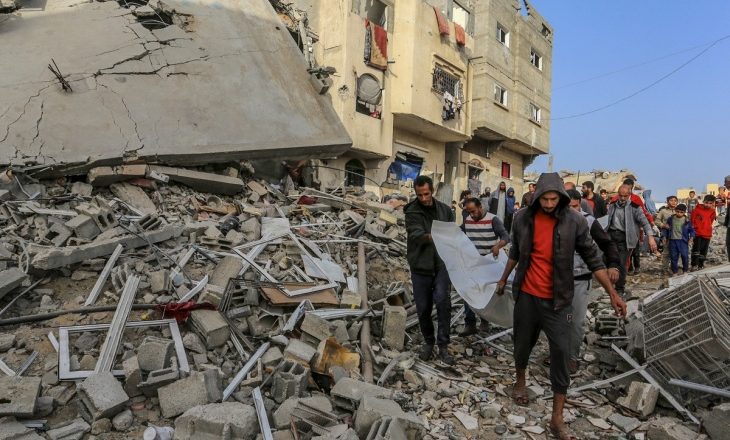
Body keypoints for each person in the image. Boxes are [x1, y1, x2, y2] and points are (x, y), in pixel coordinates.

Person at [494, 173, 627, 440]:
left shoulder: (575, 221)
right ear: (537, 197)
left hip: (559, 299)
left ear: (562, 198)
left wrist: (612, 293)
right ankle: (520, 382)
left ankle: (557, 418)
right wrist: (503, 279)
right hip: (527, 296)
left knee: (561, 353)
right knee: (522, 343)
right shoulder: (522, 218)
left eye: (554, 199)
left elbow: (593, 259)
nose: (549, 204)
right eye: (544, 199)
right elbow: (516, 252)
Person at [566, 190, 620, 373]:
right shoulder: (556, 220)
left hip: (580, 279)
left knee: (575, 322)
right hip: (557, 280)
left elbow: (607, 244)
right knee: (557, 321)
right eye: (567, 207)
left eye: (574, 206)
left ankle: (572, 357)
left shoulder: (589, 221)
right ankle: (558, 353)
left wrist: (613, 265)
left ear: (580, 204)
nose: (571, 211)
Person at [405, 175, 456, 364]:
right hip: (420, 265)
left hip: (441, 264)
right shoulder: (411, 211)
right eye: (420, 195)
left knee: (443, 302)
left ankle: (443, 346)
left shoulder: (445, 210)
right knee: (423, 307)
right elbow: (416, 234)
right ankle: (428, 342)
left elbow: (452, 233)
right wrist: (436, 236)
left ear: (432, 191)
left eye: (426, 194)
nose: (424, 198)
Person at [458, 197, 510, 337]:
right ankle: (470, 324)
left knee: (486, 293)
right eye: (469, 212)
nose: (472, 215)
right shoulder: (468, 220)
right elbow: (459, 233)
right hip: (474, 262)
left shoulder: (493, 219)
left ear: (480, 207)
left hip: (489, 263)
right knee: (468, 291)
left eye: (473, 211)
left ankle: (485, 320)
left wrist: (498, 246)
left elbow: (506, 236)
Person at [606, 184, 657, 297]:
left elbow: (645, 223)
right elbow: (607, 221)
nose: (622, 198)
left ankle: (620, 289)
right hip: (612, 237)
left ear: (629, 195)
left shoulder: (635, 207)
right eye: (620, 195)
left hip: (626, 239)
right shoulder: (612, 205)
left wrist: (650, 237)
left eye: (625, 196)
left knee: (621, 264)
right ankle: (609, 286)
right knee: (610, 262)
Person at [665, 204, 694, 275]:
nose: (679, 213)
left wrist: (691, 238)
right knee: (673, 256)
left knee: (685, 256)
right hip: (673, 240)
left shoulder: (687, 220)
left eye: (681, 212)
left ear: (684, 212)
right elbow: (666, 229)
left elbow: (691, 230)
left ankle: (685, 270)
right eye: (677, 211)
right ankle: (675, 272)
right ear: (675, 211)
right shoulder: (671, 219)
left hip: (683, 241)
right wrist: (664, 237)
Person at [690, 194, 717, 271]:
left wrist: (707, 227)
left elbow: (711, 221)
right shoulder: (696, 210)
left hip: (707, 233)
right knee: (696, 250)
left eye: (710, 203)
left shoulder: (712, 211)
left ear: (713, 203)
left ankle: (700, 265)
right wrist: (693, 230)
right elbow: (692, 221)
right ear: (703, 201)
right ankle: (694, 265)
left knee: (704, 251)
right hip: (697, 233)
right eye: (706, 203)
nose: (708, 205)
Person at [656, 196, 679, 273]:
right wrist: (663, 225)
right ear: (667, 201)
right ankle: (665, 269)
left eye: (675, 200)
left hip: (677, 235)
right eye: (671, 200)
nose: (673, 202)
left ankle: (674, 268)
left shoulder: (679, 211)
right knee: (666, 252)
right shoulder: (663, 211)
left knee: (676, 252)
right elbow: (657, 221)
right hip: (666, 235)